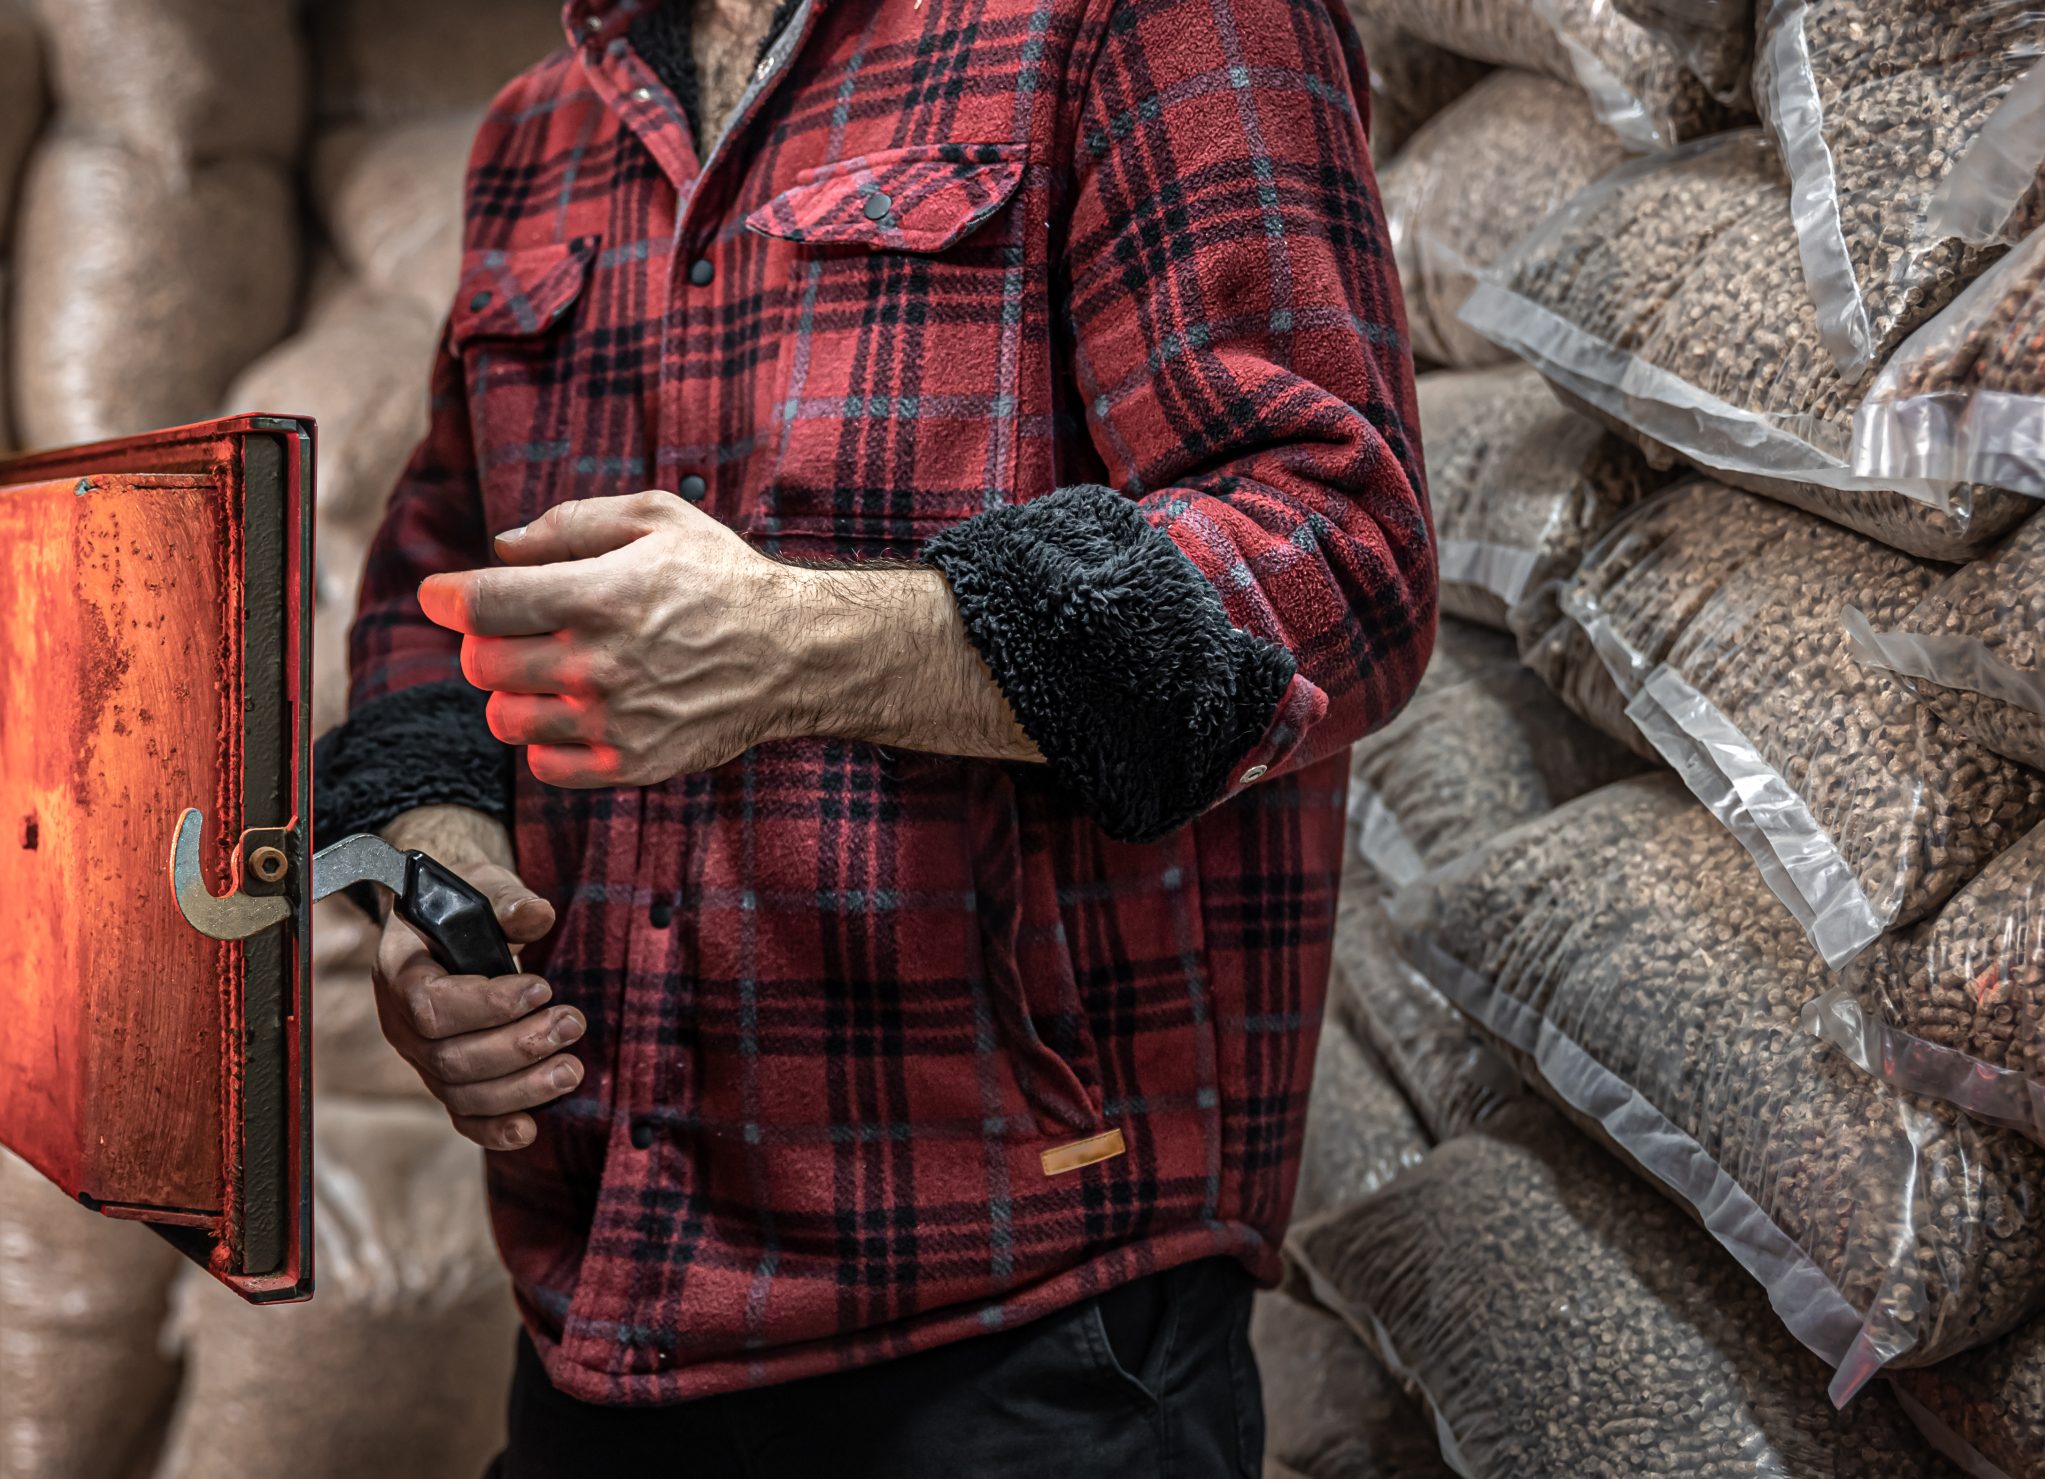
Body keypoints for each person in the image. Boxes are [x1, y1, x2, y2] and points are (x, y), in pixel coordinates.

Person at [313, 0, 1433, 1472]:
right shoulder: (541, 128)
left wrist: (798, 648)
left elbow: (1342, 551)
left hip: (1021, 1321)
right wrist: (440, 878)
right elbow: (432, 581)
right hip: (597, 1306)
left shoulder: (1138, 20)